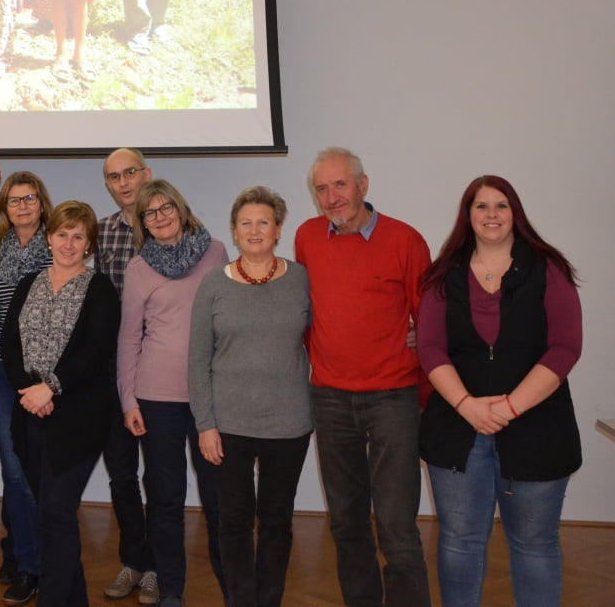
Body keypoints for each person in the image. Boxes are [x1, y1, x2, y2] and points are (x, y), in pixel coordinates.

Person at [417, 176, 583, 607]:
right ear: (467, 215)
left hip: (537, 429)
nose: (491, 215)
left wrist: (509, 407)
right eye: (481, 206)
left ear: (515, 213)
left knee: (534, 543)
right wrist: (466, 406)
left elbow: (565, 347)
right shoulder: (443, 275)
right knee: (459, 541)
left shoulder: (548, 269)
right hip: (457, 429)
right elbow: (430, 348)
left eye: (501, 205)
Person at [295, 147, 432, 607]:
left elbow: (429, 321)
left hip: (393, 397)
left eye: (340, 185)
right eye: (322, 189)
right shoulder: (307, 237)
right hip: (330, 398)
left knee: (396, 525)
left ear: (363, 185)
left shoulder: (406, 241)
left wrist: (422, 360)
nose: (332, 197)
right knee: (346, 523)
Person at [190, 187, 312, 607]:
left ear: (278, 230)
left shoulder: (301, 279)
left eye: (264, 222)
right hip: (228, 426)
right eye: (246, 223)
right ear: (234, 230)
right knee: (234, 521)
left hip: (289, 424)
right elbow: (198, 359)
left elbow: (329, 336)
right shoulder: (212, 284)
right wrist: (205, 424)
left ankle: (269, 599)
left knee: (277, 521)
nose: (255, 230)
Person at [3, 201, 121, 607]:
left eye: (78, 237)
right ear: (49, 238)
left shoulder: (99, 288)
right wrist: (30, 391)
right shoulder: (28, 283)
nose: (69, 244)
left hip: (79, 418)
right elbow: (9, 344)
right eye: (62, 234)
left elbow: (96, 351)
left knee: (55, 512)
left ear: (89, 244)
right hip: (30, 413)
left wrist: (50, 388)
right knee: (52, 516)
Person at [117, 179, 226, 607]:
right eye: (150, 212)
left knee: (218, 500)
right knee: (165, 500)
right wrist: (128, 400)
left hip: (210, 397)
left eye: (166, 208)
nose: (160, 217)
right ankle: (172, 592)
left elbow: (229, 318)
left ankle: (233, 590)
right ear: (142, 222)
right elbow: (129, 337)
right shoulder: (138, 268)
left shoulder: (215, 252)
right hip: (156, 398)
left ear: (181, 209)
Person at [0, 171, 55, 604]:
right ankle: (27, 565)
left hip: (44, 377)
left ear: (42, 203)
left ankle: (48, 563)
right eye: (14, 200)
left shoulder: (59, 246)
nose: (22, 207)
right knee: (13, 469)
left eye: (30, 199)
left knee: (38, 472)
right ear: (4, 207)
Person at [93, 149, 157, 602]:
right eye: (114, 177)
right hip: (115, 371)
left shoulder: (173, 227)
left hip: (162, 372)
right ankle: (133, 560)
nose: (124, 182)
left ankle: (160, 567)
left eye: (130, 172)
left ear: (146, 174)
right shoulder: (101, 233)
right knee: (121, 474)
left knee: (160, 476)